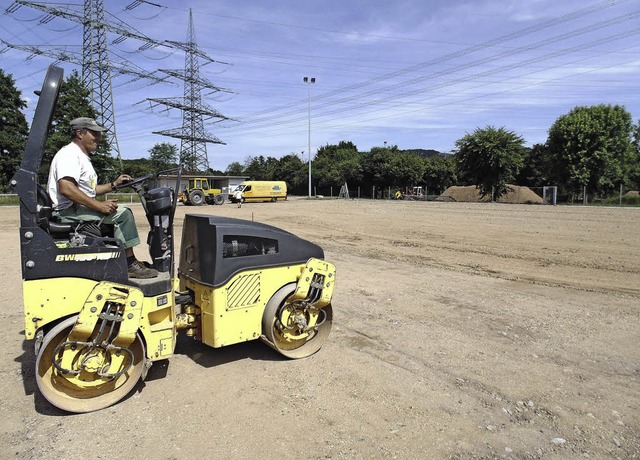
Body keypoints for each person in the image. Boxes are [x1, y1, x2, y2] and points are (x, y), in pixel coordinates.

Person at [47, 117, 158, 279]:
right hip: (67, 212)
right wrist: (99, 206)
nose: (98, 138)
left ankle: (127, 259)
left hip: (77, 208)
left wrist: (114, 184)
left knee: (119, 210)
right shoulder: (69, 155)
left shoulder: (80, 156)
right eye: (94, 134)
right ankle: (128, 264)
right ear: (80, 133)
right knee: (123, 214)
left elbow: (90, 191)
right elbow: (67, 188)